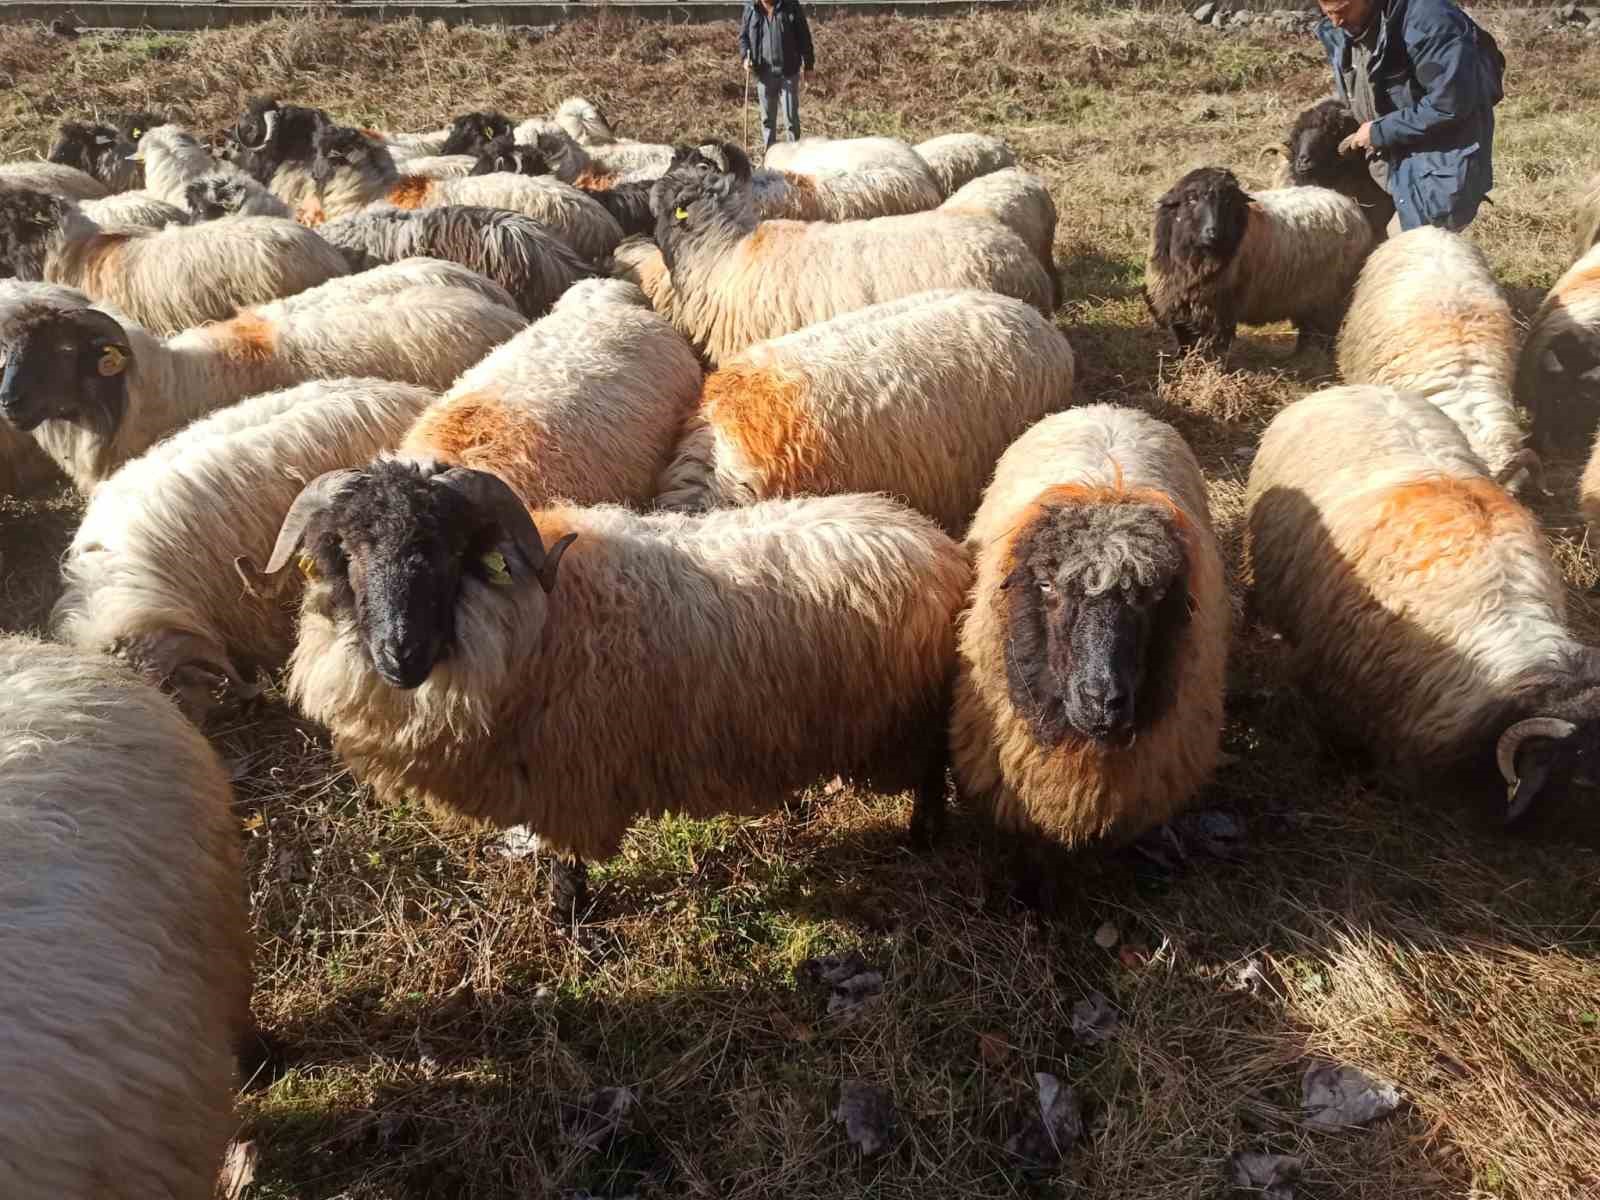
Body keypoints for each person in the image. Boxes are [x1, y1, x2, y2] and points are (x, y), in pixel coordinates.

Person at [1316, 0, 1504, 233]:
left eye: (1341, 11)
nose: (1335, 22)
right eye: (1327, 12)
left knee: (1410, 253)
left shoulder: (1432, 23)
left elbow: (1450, 104)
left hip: (1436, 169)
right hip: (1388, 165)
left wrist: (1378, 131)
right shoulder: (1351, 29)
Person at [740, 0, 815, 151]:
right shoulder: (751, 8)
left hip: (788, 72)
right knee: (767, 120)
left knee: (791, 119)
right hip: (764, 73)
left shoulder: (790, 6)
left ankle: (794, 155)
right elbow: (744, 38)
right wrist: (745, 58)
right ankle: (770, 155)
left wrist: (809, 65)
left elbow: (803, 36)